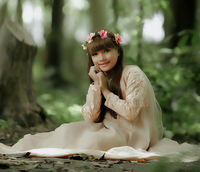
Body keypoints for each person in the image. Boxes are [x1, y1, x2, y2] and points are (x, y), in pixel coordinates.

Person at [0, 30, 198, 160]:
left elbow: (130, 113)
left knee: (89, 142)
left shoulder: (133, 73)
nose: (101, 58)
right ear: (91, 57)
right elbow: (91, 116)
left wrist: (104, 91)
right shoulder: (102, 76)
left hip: (132, 135)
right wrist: (96, 86)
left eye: (106, 51)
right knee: (66, 130)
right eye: (95, 54)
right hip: (108, 129)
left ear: (118, 51)